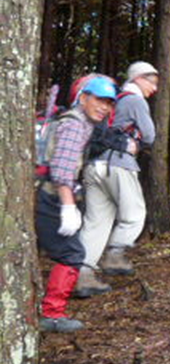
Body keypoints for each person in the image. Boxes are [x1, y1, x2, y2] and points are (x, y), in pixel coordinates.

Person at [36, 76, 129, 332]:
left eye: (109, 103)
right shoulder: (75, 125)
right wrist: (67, 207)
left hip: (51, 195)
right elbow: (62, 170)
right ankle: (53, 314)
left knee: (68, 252)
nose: (105, 107)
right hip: (52, 198)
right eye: (99, 100)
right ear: (83, 97)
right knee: (72, 254)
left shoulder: (80, 124)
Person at [74, 61, 158, 298]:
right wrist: (138, 144)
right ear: (138, 79)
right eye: (151, 81)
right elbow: (150, 135)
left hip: (94, 165)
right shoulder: (135, 100)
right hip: (118, 164)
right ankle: (115, 255)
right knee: (135, 215)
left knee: (95, 224)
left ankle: (82, 276)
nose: (154, 87)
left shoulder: (112, 102)